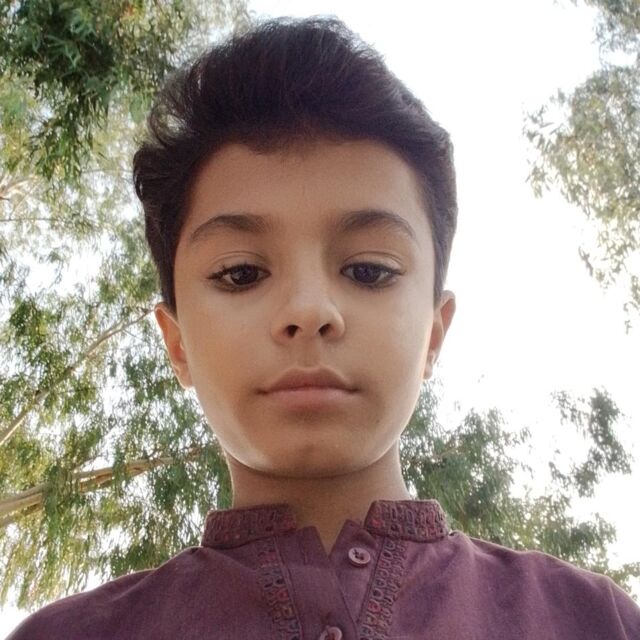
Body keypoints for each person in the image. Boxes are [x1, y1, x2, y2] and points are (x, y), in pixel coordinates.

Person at [7, 15, 640, 640]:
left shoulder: (592, 619)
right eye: (241, 273)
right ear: (178, 345)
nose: (308, 311)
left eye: (367, 270)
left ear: (434, 333)